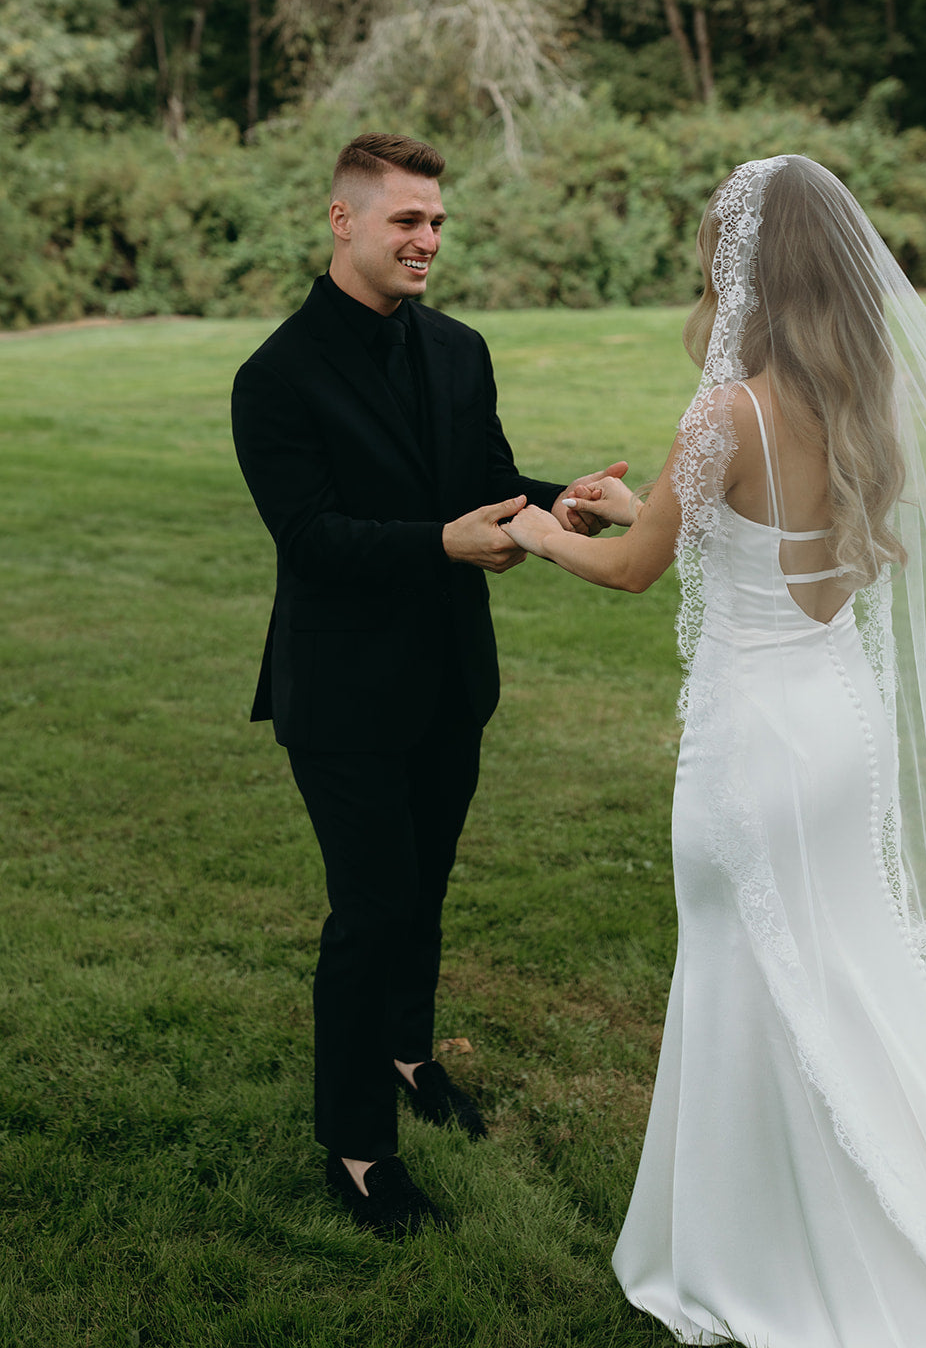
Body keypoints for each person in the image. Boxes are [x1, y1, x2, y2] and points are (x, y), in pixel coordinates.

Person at [502, 154, 926, 1346]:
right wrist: (637, 503)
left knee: (742, 966)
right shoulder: (853, 393)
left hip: (751, 739)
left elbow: (632, 564)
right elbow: (734, 525)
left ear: (745, 258)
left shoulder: (728, 408)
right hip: (834, 720)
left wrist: (533, 532)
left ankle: (748, 1244)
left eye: (714, 237)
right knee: (848, 967)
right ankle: (852, 1195)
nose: (703, 256)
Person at [231, 132, 625, 1237]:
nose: (428, 241)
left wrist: (564, 499)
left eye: (438, 222)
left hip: (452, 679)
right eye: (408, 220)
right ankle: (357, 1146)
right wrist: (440, 544)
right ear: (343, 220)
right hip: (344, 696)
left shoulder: (458, 349)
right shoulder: (274, 375)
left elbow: (486, 484)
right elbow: (310, 540)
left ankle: (408, 1055)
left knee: (427, 890)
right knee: (371, 909)